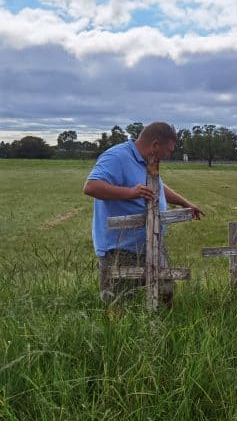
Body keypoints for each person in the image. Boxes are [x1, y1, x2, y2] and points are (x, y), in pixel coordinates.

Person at [83, 122, 203, 303]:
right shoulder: (117, 157)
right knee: (120, 303)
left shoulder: (149, 162)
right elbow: (91, 186)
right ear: (155, 145)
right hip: (120, 248)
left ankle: (158, 330)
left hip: (151, 244)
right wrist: (131, 192)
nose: (169, 155)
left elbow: (157, 188)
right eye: (168, 150)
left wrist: (185, 203)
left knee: (164, 295)